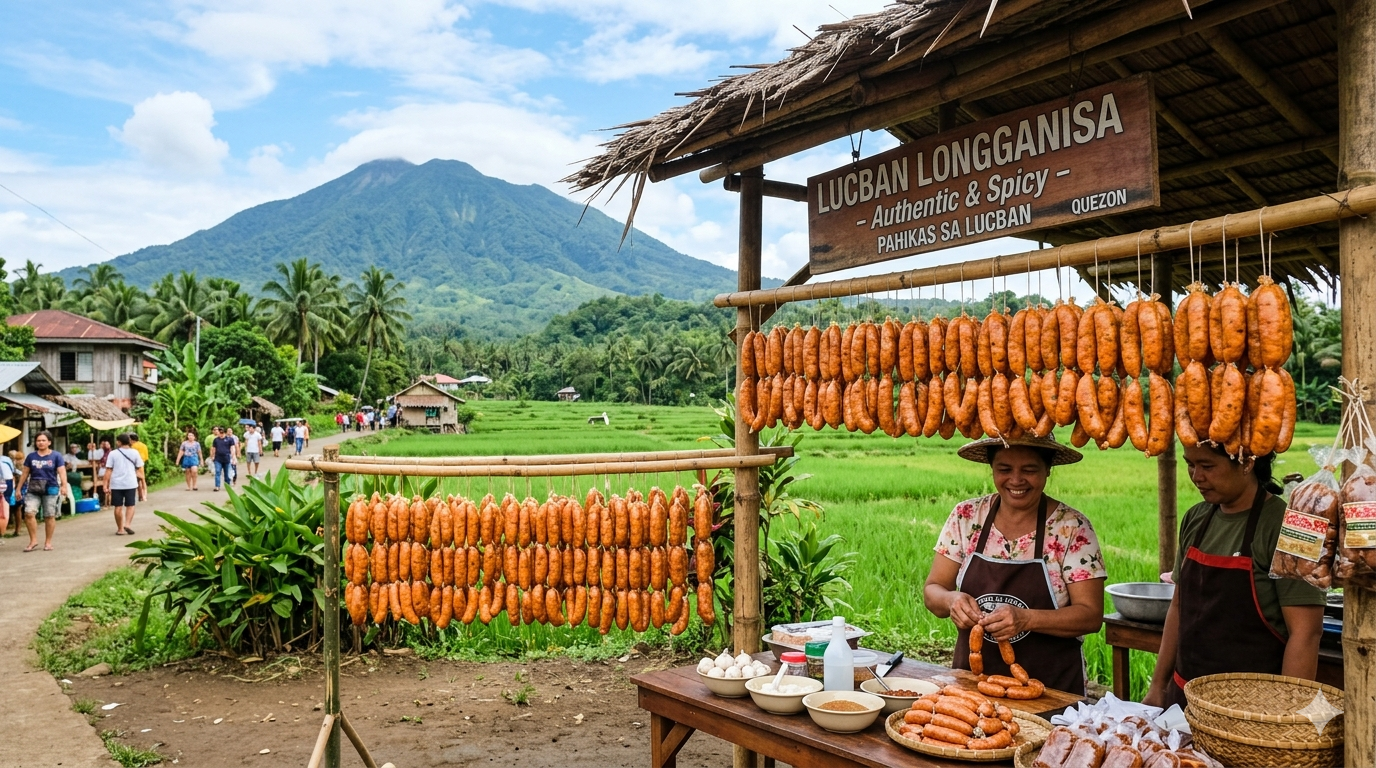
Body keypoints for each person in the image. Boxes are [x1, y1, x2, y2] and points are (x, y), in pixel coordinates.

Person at [1143, 445, 1325, 708]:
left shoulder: (1291, 529)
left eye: (1207, 466)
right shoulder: (1196, 518)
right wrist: (1159, 686)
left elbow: (1306, 633)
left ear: (1247, 463)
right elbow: (1178, 607)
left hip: (1253, 709)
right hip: (1185, 698)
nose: (1196, 476)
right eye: (1190, 464)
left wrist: (1285, 714)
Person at [923, 436, 1106, 695]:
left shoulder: (1072, 528)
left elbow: (1090, 616)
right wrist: (951, 600)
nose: (1016, 480)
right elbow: (933, 589)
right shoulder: (966, 517)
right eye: (1004, 469)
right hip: (973, 685)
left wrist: (1026, 618)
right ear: (992, 469)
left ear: (1048, 470)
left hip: (1051, 691)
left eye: (1029, 470)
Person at [16, 431, 68, 551]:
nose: (41, 442)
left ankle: (48, 542)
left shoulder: (56, 456)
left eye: (43, 440)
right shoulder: (31, 457)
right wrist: (18, 488)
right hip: (33, 488)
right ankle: (33, 540)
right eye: (38, 440)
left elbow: (62, 472)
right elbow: (24, 473)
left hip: (51, 487)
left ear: (49, 442)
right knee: (29, 513)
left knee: (49, 515)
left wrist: (64, 486)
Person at [103, 433, 145, 536]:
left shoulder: (113, 454)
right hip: (130, 483)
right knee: (130, 505)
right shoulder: (135, 453)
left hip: (116, 484)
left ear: (119, 442)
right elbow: (140, 467)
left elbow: (108, 470)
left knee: (118, 506)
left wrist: (105, 485)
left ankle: (120, 529)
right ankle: (127, 524)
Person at [210, 427, 236, 491]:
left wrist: (233, 457)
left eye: (222, 432)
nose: (221, 434)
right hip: (218, 458)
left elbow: (232, 448)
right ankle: (217, 486)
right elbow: (214, 448)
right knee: (218, 472)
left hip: (226, 458)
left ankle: (227, 485)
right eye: (220, 432)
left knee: (226, 473)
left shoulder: (230, 439)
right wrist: (212, 456)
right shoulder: (216, 440)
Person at [88, 439, 108, 508]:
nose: (104, 445)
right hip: (99, 472)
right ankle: (100, 501)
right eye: (102, 444)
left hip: (105, 473)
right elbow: (92, 459)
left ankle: (104, 501)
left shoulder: (108, 452)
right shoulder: (98, 451)